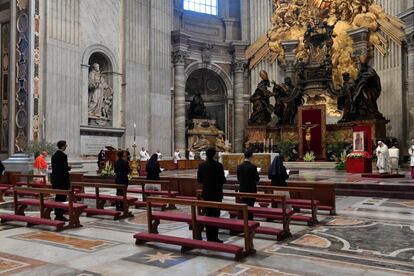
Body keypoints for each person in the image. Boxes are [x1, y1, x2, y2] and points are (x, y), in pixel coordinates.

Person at [197, 148, 226, 243]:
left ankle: (209, 237)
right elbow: (223, 180)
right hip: (217, 193)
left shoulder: (201, 165)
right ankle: (215, 237)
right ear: (214, 155)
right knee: (216, 215)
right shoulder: (219, 165)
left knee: (208, 214)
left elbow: (199, 180)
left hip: (206, 193)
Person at [51, 140, 71, 221]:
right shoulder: (63, 156)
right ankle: (60, 215)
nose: (66, 146)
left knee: (57, 197)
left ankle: (57, 214)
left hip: (56, 180)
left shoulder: (54, 155)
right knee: (62, 198)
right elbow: (64, 169)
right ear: (63, 146)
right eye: (66, 145)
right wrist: (69, 167)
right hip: (63, 181)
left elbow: (56, 168)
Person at [237, 150, 260, 220]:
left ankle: (243, 220)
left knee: (243, 205)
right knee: (250, 206)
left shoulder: (239, 166)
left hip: (242, 189)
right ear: (251, 156)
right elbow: (257, 179)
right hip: (251, 190)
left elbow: (238, 178)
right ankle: (250, 222)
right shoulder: (253, 167)